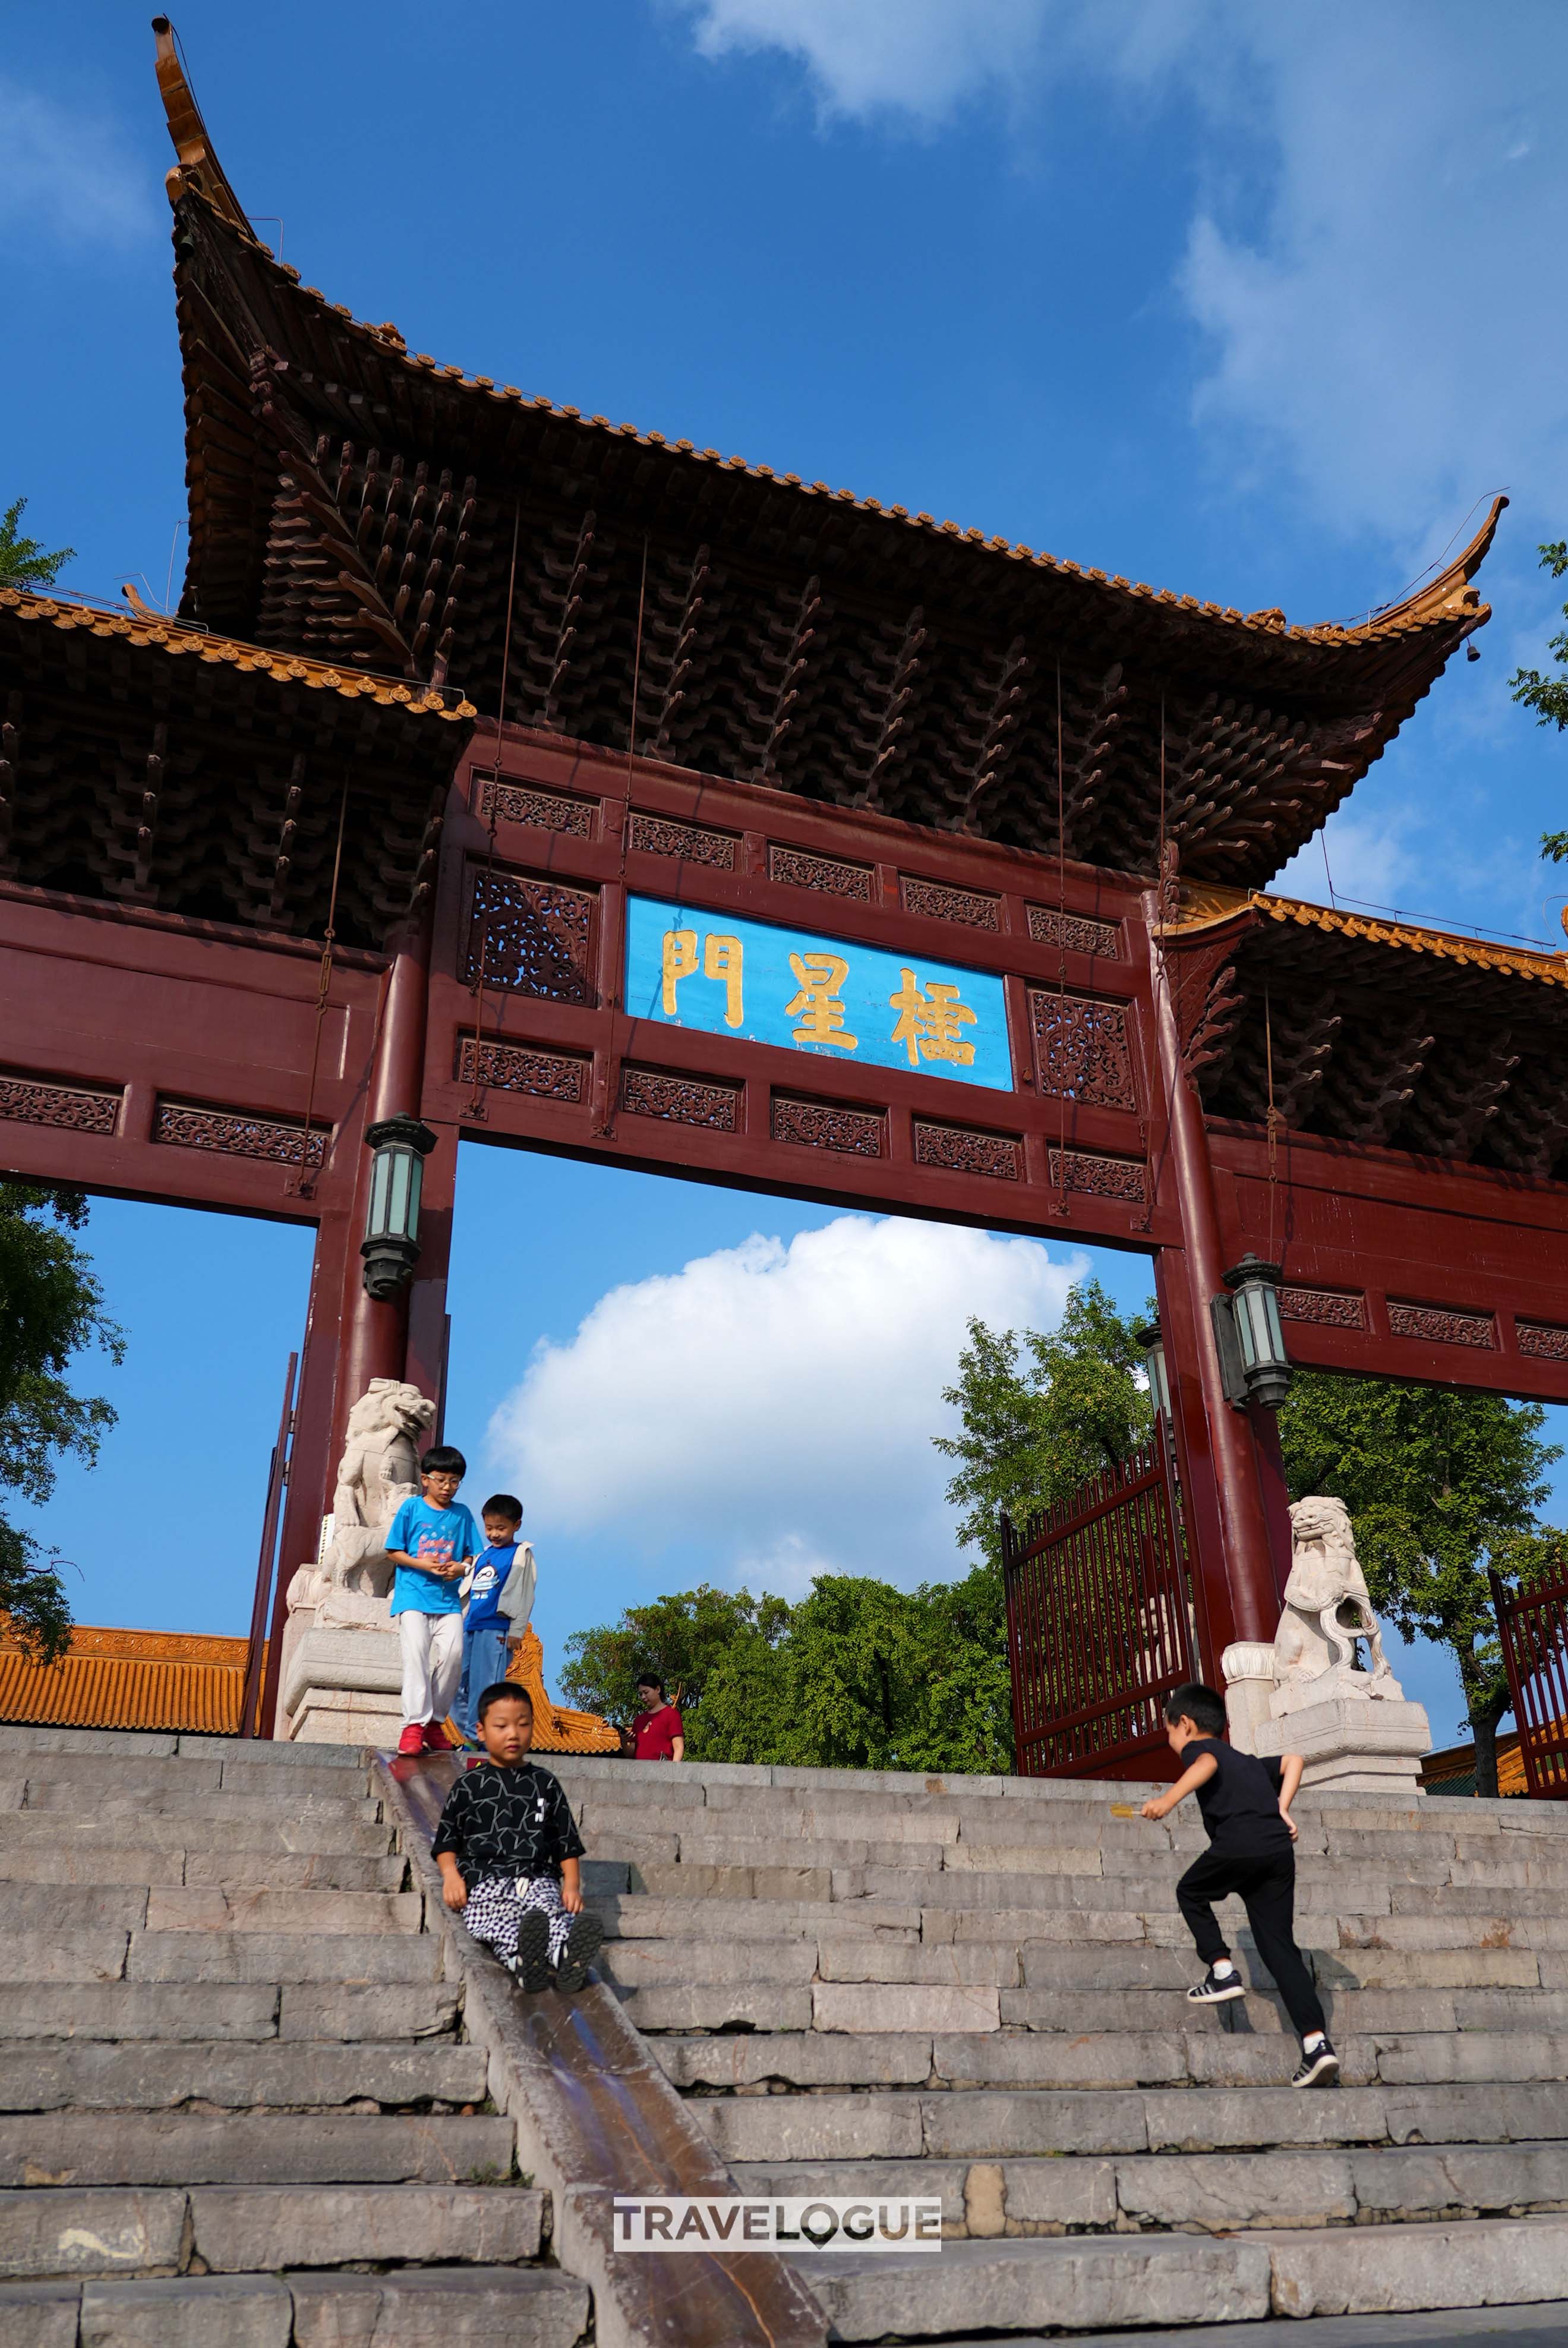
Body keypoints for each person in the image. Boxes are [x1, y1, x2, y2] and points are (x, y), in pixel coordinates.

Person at [1140, 1681, 1339, 2089]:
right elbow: (1294, 1761)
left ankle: (1221, 1968)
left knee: (1189, 1890)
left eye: (1169, 1733)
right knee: (1280, 1949)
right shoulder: (1246, 1760)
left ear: (1186, 1724)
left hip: (1240, 1843)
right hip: (1276, 1852)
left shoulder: (1202, 1750)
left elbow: (1204, 1765)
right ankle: (1317, 2045)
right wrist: (1281, 1808)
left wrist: (1168, 1799)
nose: (1171, 1741)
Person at [431, 1680, 603, 1993]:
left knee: (550, 1913)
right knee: (499, 1921)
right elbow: (446, 1840)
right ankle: (523, 1962)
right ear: (481, 1731)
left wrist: (572, 1886)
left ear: (533, 1727)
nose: (513, 1734)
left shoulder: (545, 1783)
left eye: (523, 1725)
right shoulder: (469, 1785)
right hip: (485, 1881)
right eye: (502, 1726)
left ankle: (566, 1956)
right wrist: (450, 1876)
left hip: (538, 1877)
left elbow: (566, 1840)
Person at [384, 1445, 481, 1757]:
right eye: (440, 1480)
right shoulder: (411, 1509)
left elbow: (472, 1554)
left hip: (448, 1600)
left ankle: (436, 1722)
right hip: (413, 1596)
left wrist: (461, 1568)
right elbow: (393, 1551)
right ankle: (414, 1726)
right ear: (425, 1479)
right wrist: (423, 1564)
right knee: (416, 1657)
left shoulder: (462, 1514)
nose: (447, 1487)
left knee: (454, 1655)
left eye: (454, 1481)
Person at [452, 1494, 536, 1748]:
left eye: (501, 1528)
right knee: (453, 1683)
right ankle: (474, 1732)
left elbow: (525, 1595)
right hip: (470, 1626)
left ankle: (481, 1738)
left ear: (516, 1525)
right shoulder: (483, 1555)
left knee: (485, 1686)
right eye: (489, 1528)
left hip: (497, 1629)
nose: (494, 1534)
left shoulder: (522, 1554)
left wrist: (517, 1631)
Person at [630, 1671, 684, 1761]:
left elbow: (679, 1747)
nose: (643, 1697)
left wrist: (674, 1772)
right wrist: (624, 1741)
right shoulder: (638, 1721)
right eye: (640, 1694)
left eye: (646, 1692)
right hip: (639, 1772)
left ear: (658, 1690)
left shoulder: (671, 1715)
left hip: (663, 1772)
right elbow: (630, 1754)